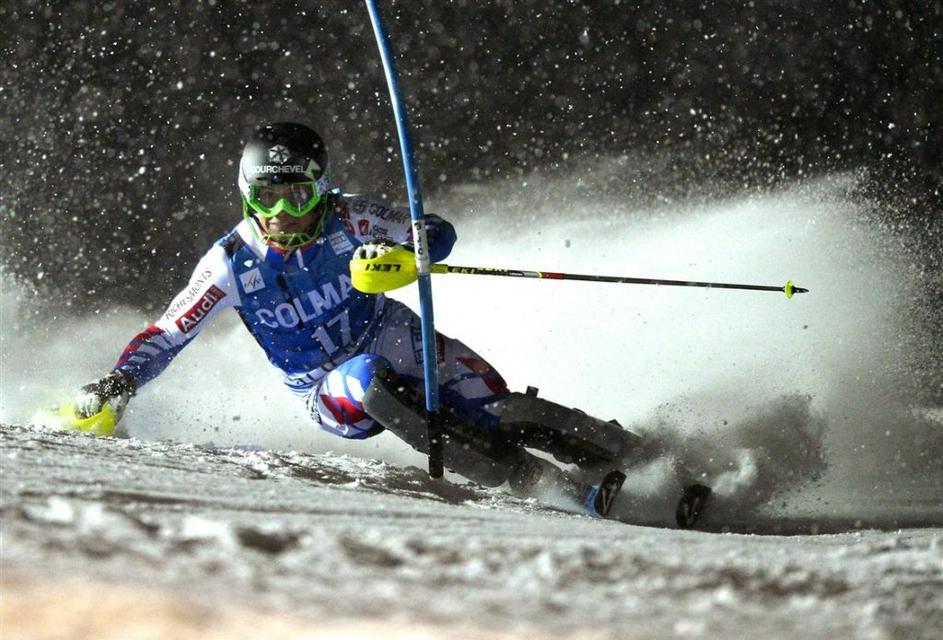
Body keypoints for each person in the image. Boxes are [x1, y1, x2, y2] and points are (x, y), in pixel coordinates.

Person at [75, 122, 668, 519]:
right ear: (246, 194)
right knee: (370, 382)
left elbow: (435, 230)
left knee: (500, 409)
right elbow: (168, 333)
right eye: (269, 197)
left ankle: (645, 459)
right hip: (326, 386)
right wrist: (119, 381)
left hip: (391, 330)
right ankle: (543, 485)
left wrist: (414, 250)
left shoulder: (349, 217)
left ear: (322, 188)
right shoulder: (230, 263)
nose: (284, 212)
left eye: (300, 195)